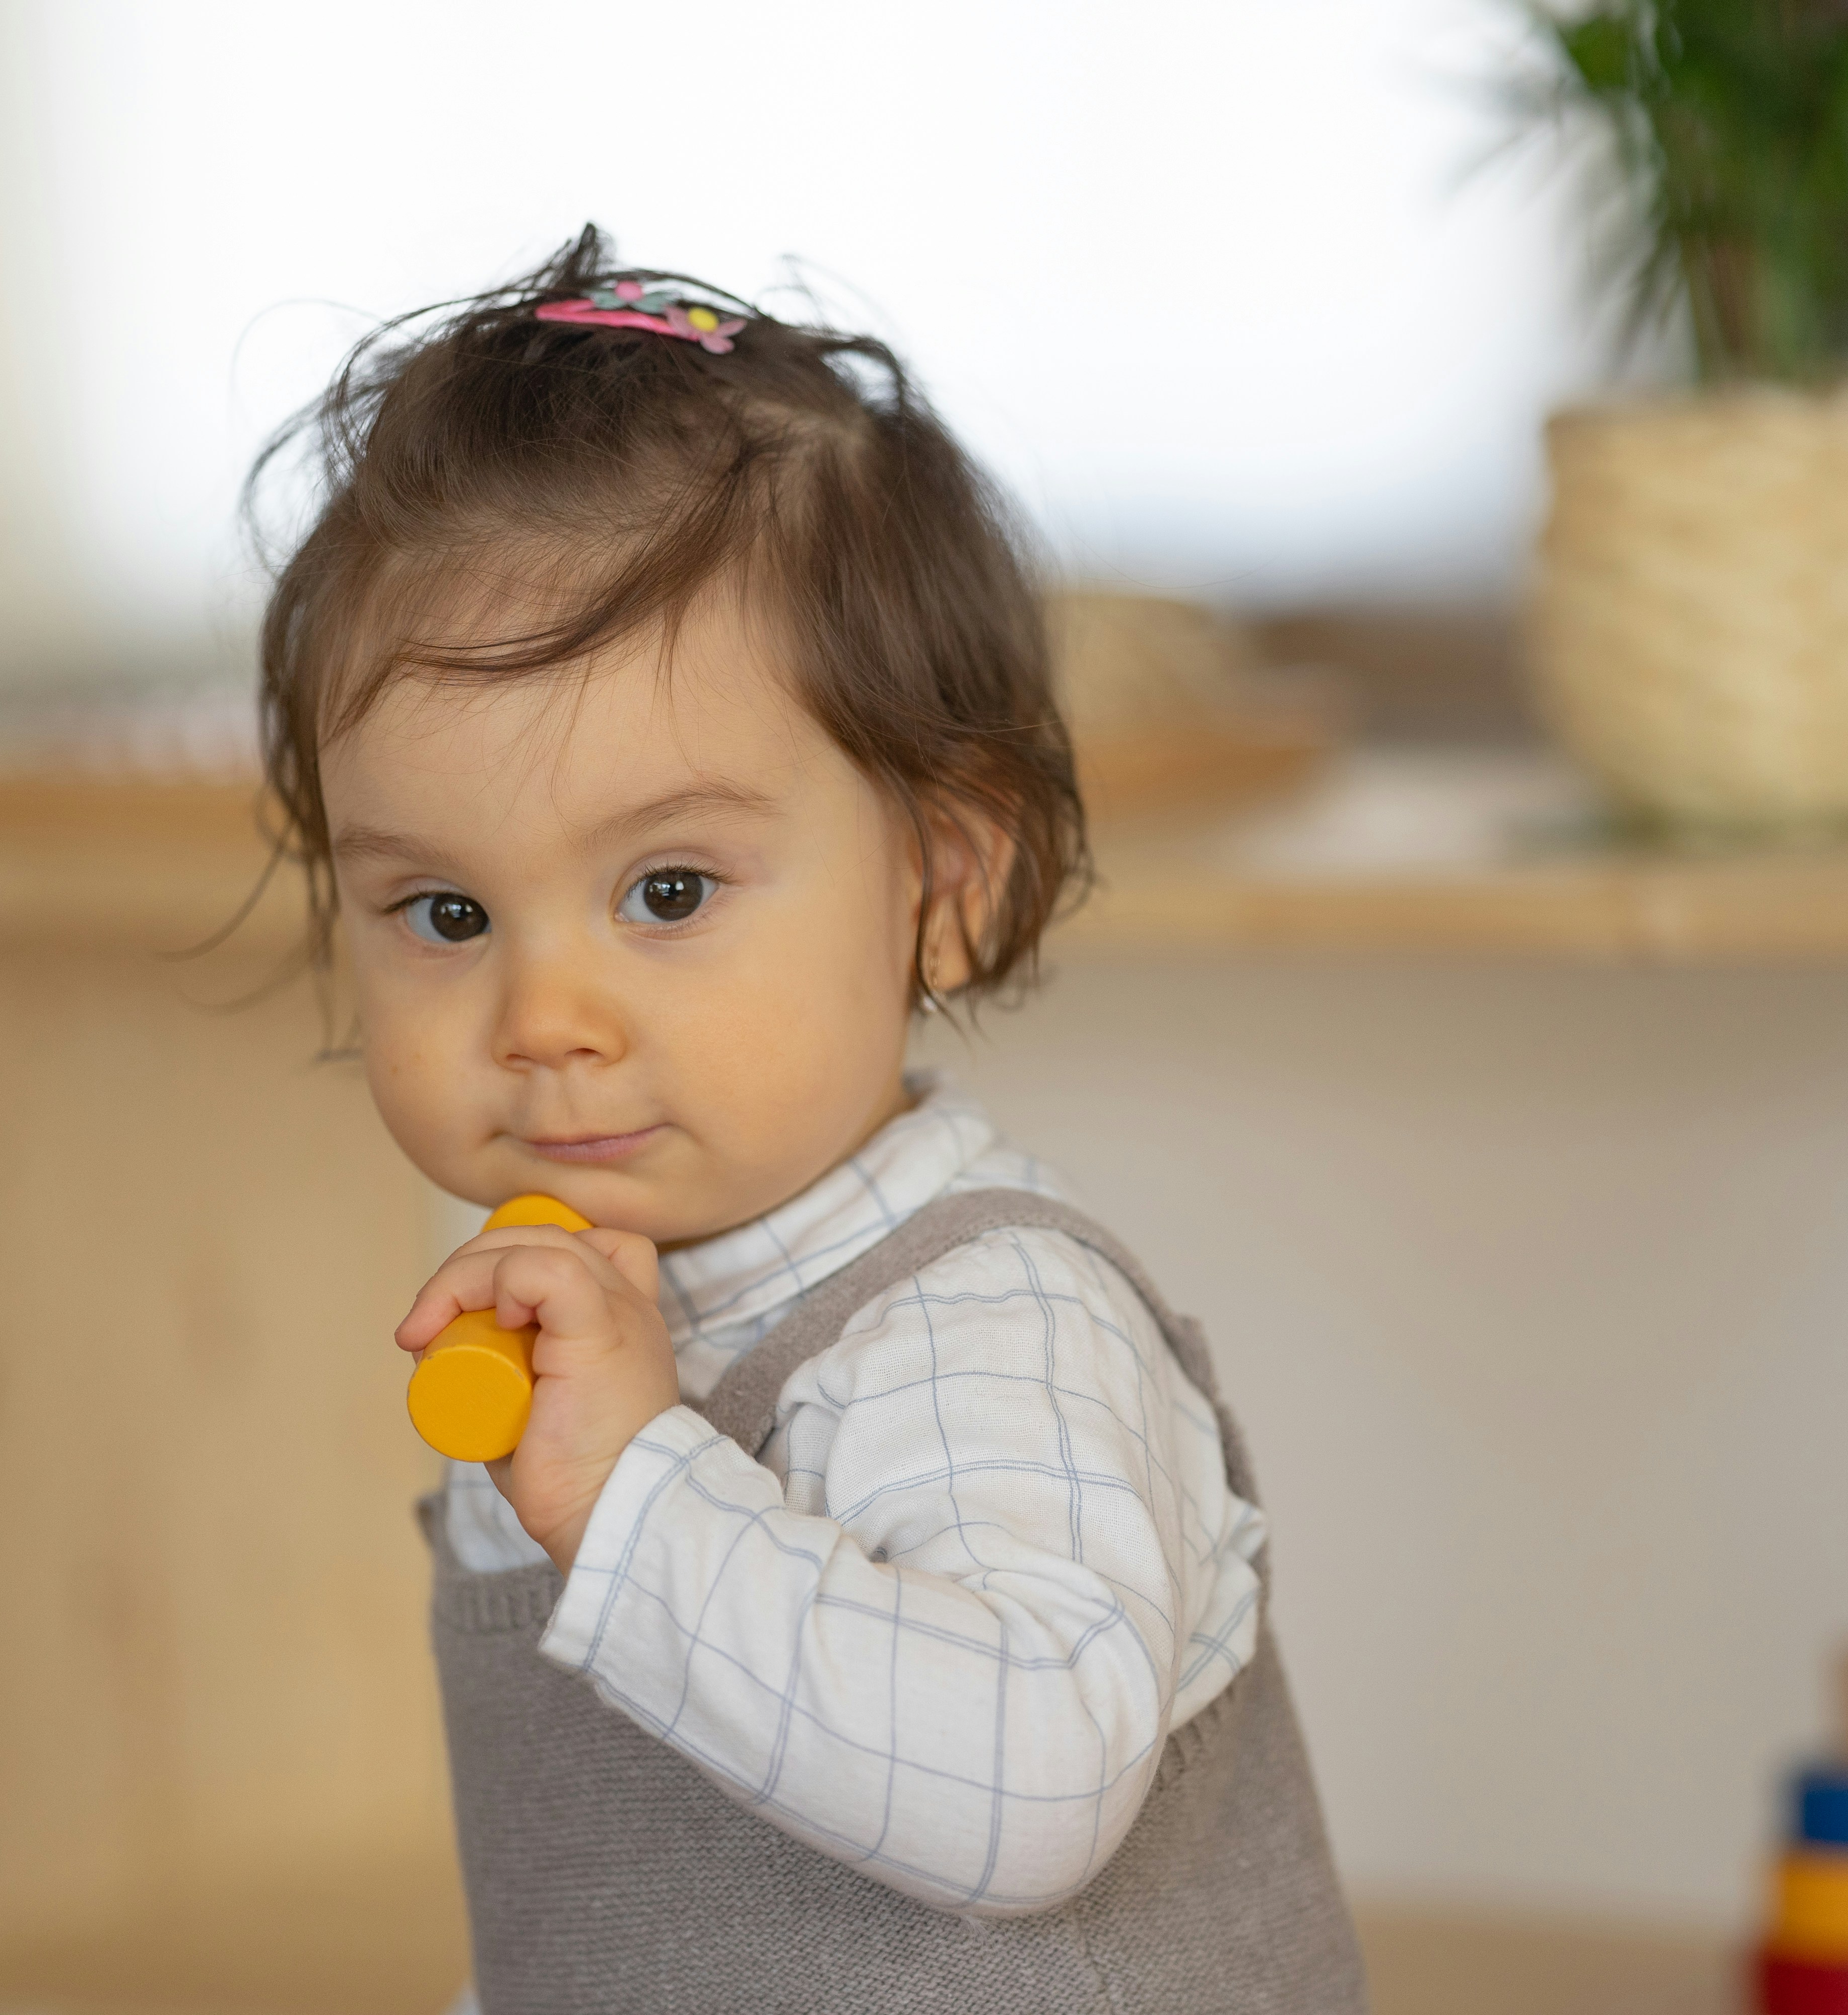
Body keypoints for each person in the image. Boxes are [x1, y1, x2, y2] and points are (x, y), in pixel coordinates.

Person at [251, 227, 1364, 2013]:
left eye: (670, 890)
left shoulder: (978, 1325)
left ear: (943, 883)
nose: (544, 1022)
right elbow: (609, 1888)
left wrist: (634, 1493)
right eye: (445, 915)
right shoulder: (581, 1318)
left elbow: (1026, 1793)